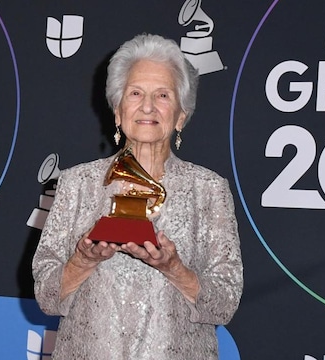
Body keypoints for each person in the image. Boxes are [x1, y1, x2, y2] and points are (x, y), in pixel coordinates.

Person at [32, 33, 243, 359]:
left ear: (180, 116)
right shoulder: (76, 183)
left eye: (162, 95)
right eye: (135, 93)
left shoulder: (209, 190)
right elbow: (46, 297)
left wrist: (174, 268)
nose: (147, 106)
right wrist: (82, 261)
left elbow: (225, 303)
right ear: (117, 111)